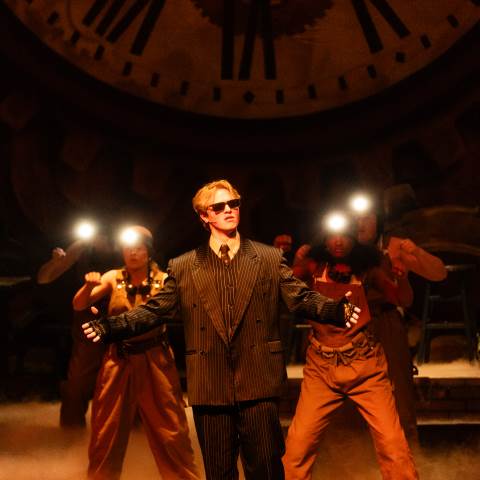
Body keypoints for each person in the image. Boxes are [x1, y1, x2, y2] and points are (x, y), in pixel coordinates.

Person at [82, 179, 360, 480]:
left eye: (233, 204)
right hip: (210, 384)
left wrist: (335, 310)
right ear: (205, 216)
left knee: (266, 470)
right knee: (219, 474)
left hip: (258, 380)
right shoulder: (184, 266)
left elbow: (300, 296)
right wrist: (110, 326)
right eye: (219, 206)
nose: (229, 209)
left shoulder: (268, 258)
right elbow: (154, 310)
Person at [283, 212, 418, 480]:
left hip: (365, 365)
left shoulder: (367, 269)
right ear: (324, 238)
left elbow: (403, 300)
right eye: (333, 235)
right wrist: (289, 258)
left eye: (344, 236)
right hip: (321, 369)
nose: (338, 241)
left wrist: (402, 278)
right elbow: (282, 285)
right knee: (298, 446)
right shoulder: (314, 266)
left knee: (393, 444)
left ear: (354, 239)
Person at [73, 225, 199, 480]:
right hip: (118, 359)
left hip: (155, 358)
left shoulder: (164, 279)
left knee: (170, 428)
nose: (132, 253)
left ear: (148, 251)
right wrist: (88, 286)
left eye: (138, 248)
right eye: (128, 248)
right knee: (106, 428)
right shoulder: (113, 277)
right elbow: (79, 304)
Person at [354, 196, 446, 445]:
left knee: (399, 389)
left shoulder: (393, 248)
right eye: (356, 218)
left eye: (366, 217)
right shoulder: (342, 247)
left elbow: (439, 273)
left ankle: (408, 447)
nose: (360, 223)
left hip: (387, 321)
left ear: (378, 222)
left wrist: (415, 251)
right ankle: (355, 449)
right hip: (352, 324)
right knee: (351, 388)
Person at [36, 235, 113, 427]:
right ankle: (71, 430)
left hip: (126, 315)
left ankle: (134, 429)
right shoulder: (83, 246)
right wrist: (56, 263)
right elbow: (43, 278)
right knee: (79, 378)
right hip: (88, 317)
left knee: (132, 376)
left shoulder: (133, 245)